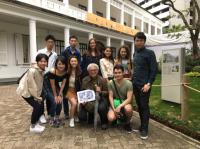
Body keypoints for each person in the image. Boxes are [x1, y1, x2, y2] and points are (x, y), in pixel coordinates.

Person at [132, 32, 157, 139]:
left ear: (144, 41)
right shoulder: (135, 53)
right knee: (139, 106)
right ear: (134, 41)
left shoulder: (150, 53)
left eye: (141, 40)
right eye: (137, 40)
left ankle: (145, 129)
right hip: (135, 84)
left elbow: (154, 70)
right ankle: (142, 125)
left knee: (144, 106)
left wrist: (149, 84)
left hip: (144, 86)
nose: (139, 42)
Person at [16, 54, 48, 133]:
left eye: (45, 61)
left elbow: (39, 84)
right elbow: (32, 86)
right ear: (37, 62)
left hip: (33, 92)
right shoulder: (33, 70)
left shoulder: (41, 70)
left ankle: (36, 123)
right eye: (41, 61)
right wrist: (37, 97)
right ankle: (33, 126)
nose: (43, 63)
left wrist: (39, 95)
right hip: (26, 92)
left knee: (39, 105)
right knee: (37, 106)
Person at [78, 63, 109, 130]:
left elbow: (107, 92)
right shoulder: (84, 80)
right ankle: (91, 115)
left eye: (95, 70)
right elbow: (82, 92)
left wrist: (100, 92)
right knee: (81, 116)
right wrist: (82, 101)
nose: (93, 72)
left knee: (102, 107)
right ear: (88, 71)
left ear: (97, 70)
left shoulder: (102, 80)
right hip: (88, 101)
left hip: (100, 99)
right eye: (91, 70)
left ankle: (104, 122)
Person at [37, 34, 57, 123]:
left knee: (49, 96)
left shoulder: (55, 54)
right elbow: (35, 63)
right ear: (46, 42)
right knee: (41, 96)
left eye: (52, 42)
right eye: (49, 42)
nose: (50, 43)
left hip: (50, 77)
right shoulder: (40, 52)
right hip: (40, 76)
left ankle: (49, 113)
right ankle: (41, 114)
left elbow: (54, 65)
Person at [107, 64, 133, 133]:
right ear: (113, 73)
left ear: (123, 73)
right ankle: (116, 118)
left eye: (119, 73)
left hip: (125, 102)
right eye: (115, 73)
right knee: (110, 118)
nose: (117, 75)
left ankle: (127, 123)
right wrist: (114, 108)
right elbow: (110, 96)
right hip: (115, 102)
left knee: (128, 109)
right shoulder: (110, 83)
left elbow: (129, 98)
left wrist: (120, 106)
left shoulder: (129, 83)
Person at [43, 56, 67, 127]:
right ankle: (51, 119)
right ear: (56, 64)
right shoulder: (53, 71)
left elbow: (63, 84)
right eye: (59, 64)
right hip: (47, 85)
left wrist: (59, 95)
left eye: (63, 64)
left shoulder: (65, 72)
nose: (61, 66)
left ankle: (57, 118)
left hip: (56, 85)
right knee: (54, 100)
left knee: (60, 100)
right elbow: (52, 85)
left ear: (65, 64)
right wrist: (55, 96)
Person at [61, 35, 81, 120]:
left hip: (75, 73)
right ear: (69, 42)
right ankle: (66, 113)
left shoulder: (78, 53)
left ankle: (75, 113)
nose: (73, 42)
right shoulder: (65, 51)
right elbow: (62, 61)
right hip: (66, 73)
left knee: (75, 96)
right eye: (71, 40)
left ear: (76, 42)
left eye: (74, 41)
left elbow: (78, 63)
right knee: (65, 97)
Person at [65, 56, 81, 128]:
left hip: (77, 91)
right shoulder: (67, 71)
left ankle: (76, 115)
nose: (73, 62)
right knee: (74, 104)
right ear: (69, 62)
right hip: (69, 91)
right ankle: (71, 119)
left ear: (77, 62)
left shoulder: (80, 72)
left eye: (75, 61)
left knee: (76, 104)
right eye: (72, 61)